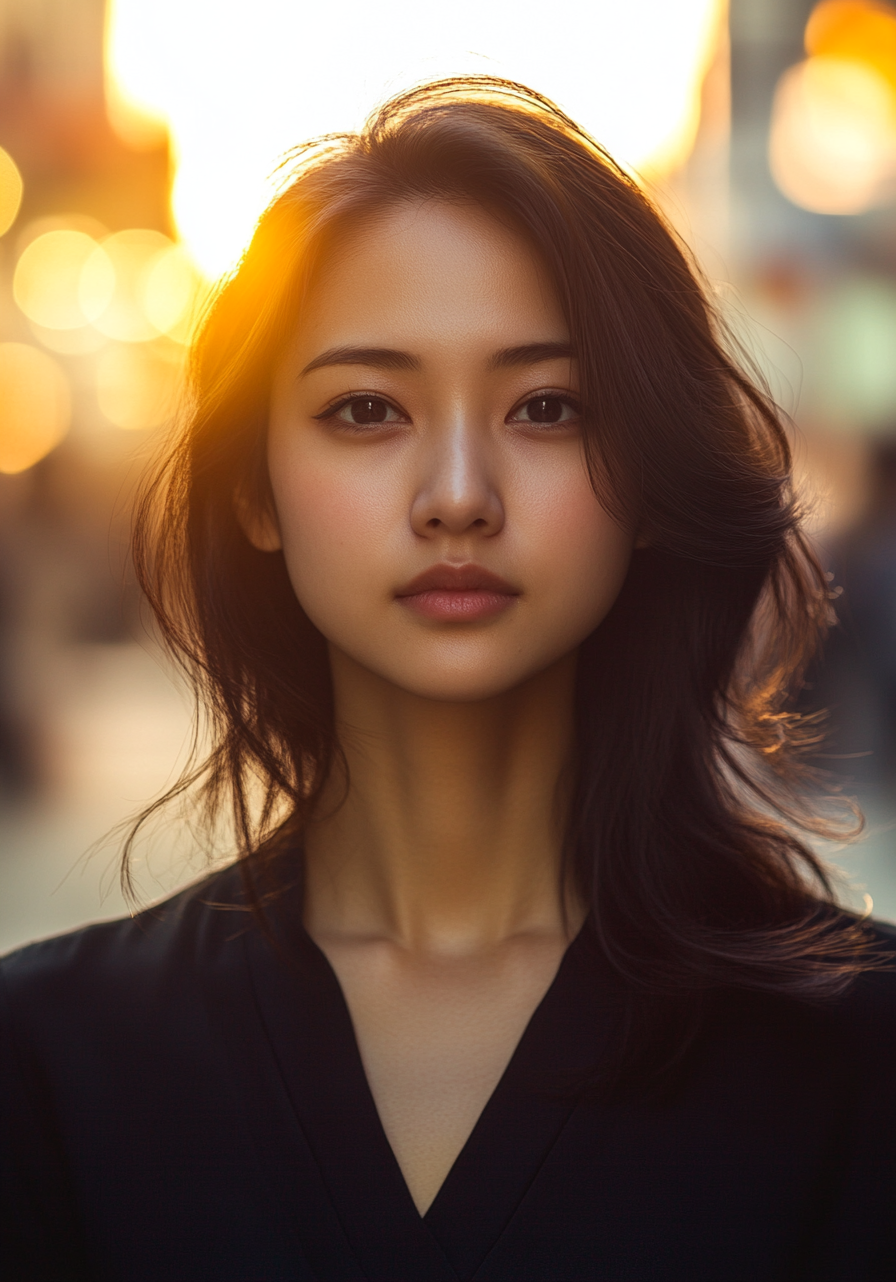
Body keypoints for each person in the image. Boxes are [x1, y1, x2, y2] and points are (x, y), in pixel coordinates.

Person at [1, 77, 894, 1281]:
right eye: (366, 409)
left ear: (644, 478)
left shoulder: (857, 1059)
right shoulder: (49, 1063)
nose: (458, 493)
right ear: (253, 490)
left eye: (546, 407)